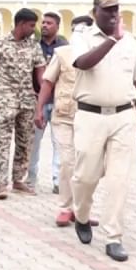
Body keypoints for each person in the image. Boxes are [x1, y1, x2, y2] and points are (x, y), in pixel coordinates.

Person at [70, 0, 136, 263]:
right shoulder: (82, 37)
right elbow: (83, 63)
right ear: (96, 12)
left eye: (117, 9)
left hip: (123, 117)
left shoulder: (131, 41)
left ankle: (114, 236)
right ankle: (81, 215)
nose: (114, 14)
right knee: (86, 177)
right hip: (90, 116)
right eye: (108, 10)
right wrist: (112, 41)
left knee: (119, 179)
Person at [35, 14, 94, 227]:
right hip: (64, 116)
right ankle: (64, 208)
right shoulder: (62, 54)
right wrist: (39, 109)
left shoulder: (99, 55)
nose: (82, 33)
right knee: (67, 162)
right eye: (78, 29)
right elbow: (48, 83)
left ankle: (82, 210)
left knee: (88, 166)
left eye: (86, 28)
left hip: (89, 118)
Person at [0, 8, 46, 199]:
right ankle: (2, 183)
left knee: (25, 141)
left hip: (27, 99)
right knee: (3, 140)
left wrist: (44, 97)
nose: (34, 29)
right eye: (32, 25)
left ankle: (18, 180)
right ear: (21, 24)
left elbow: (41, 74)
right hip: (6, 98)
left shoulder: (34, 46)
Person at [29, 11, 68, 192]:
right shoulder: (33, 46)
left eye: (49, 23)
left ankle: (58, 181)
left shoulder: (64, 48)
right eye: (43, 23)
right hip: (38, 100)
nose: (44, 26)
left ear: (57, 26)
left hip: (60, 101)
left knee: (58, 142)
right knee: (33, 142)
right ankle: (30, 178)